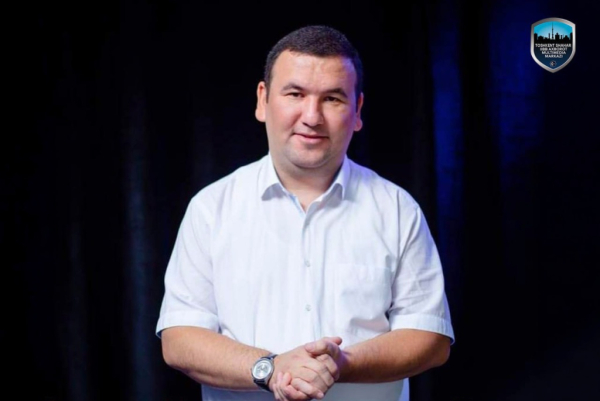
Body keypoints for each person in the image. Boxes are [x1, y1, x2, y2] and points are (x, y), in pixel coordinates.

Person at [155, 25, 455, 401]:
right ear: (263, 100)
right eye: (295, 94)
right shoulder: (211, 209)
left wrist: (341, 364)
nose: (312, 116)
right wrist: (270, 368)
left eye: (332, 98)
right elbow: (179, 338)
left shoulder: (397, 209)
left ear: (358, 111)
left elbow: (430, 336)